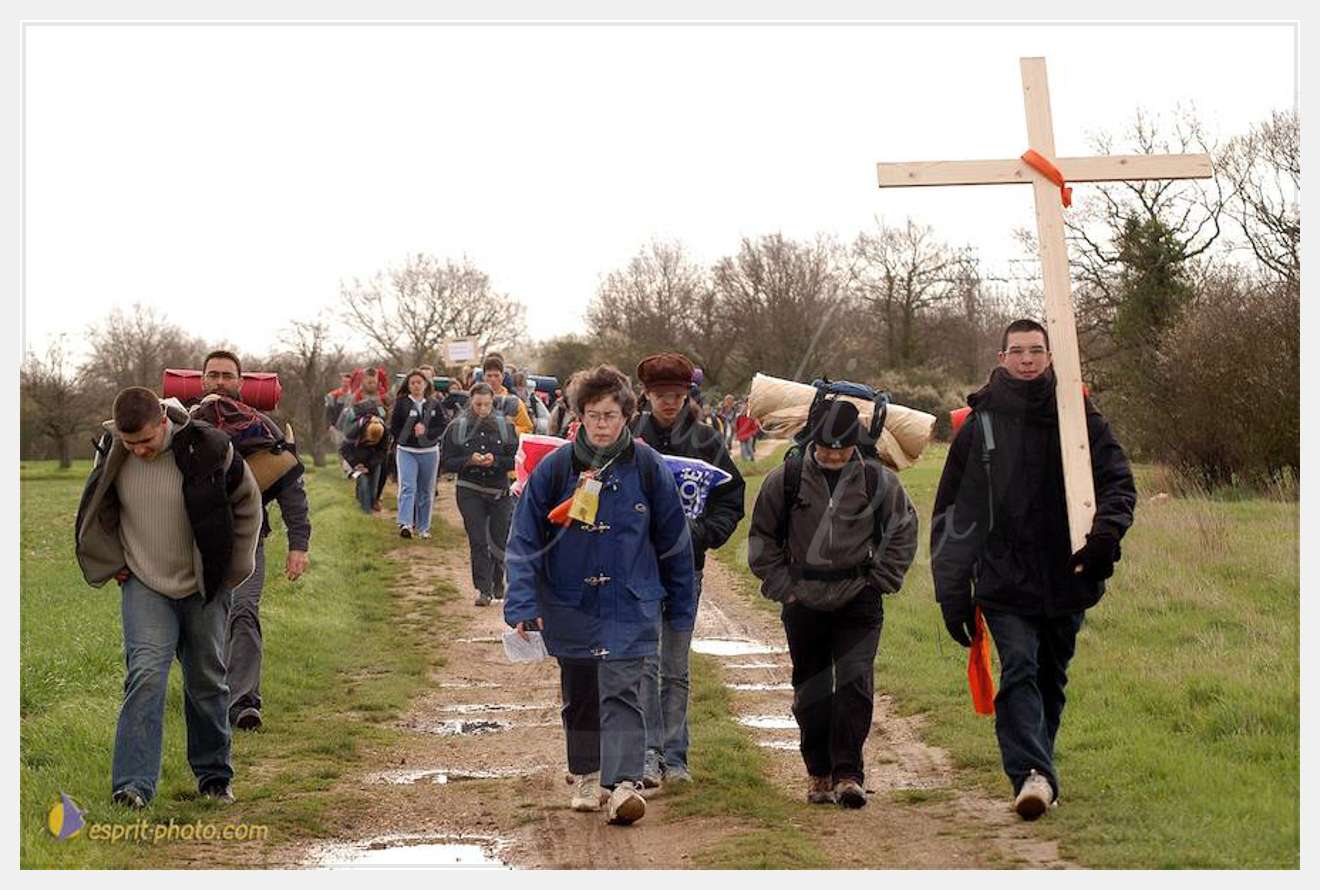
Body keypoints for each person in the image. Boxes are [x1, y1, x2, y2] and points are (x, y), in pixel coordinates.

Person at [930, 319, 1136, 820]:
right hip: (1003, 578)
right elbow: (954, 515)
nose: (1027, 359)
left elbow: (1118, 484)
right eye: (1018, 351)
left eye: (1036, 351)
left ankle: (1039, 768)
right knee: (1019, 666)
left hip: (1069, 575)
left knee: (1050, 677)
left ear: (1050, 356)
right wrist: (952, 592)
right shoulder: (979, 426)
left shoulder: (1080, 418)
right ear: (1002, 359)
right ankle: (1031, 775)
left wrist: (1105, 537)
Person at [503, 365, 695, 826]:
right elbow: (524, 537)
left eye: (610, 415)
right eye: (593, 415)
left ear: (626, 415)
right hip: (570, 599)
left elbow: (674, 541)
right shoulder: (556, 468)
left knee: (624, 689)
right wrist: (523, 603)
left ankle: (625, 784)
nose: (602, 424)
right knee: (581, 692)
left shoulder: (648, 467)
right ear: (580, 416)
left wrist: (680, 605)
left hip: (630, 598)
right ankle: (588, 774)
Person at [75, 387, 262, 807]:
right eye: (130, 443)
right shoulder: (112, 451)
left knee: (206, 681)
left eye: (146, 440)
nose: (139, 450)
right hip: (144, 582)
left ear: (163, 421)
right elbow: (96, 508)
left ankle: (214, 777)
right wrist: (113, 560)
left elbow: (248, 505)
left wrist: (232, 571)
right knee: (145, 676)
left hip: (204, 583)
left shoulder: (210, 447)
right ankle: (132, 787)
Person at [747, 399, 918, 809]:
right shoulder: (785, 479)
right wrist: (783, 587)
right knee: (812, 689)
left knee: (855, 684)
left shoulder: (878, 480)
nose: (834, 456)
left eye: (842, 449)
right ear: (813, 441)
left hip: (859, 597)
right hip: (802, 599)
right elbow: (762, 539)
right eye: (827, 448)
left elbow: (903, 530)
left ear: (855, 444)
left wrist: (879, 582)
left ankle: (848, 775)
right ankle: (818, 772)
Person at [631, 352, 745, 786]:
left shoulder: (706, 440)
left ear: (687, 395)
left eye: (676, 395)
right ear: (646, 395)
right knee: (644, 664)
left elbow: (731, 497)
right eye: (660, 394)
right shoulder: (628, 438)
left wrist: (701, 535)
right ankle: (647, 755)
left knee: (675, 666)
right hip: (636, 569)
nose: (669, 402)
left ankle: (676, 757)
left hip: (685, 570)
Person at [200, 350, 311, 732]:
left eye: (227, 375)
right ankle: (209, 696)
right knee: (201, 621)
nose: (220, 382)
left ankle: (244, 702)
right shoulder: (183, 424)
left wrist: (299, 544)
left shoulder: (261, 427)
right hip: (189, 544)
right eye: (213, 375)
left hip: (247, 541)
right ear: (202, 379)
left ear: (240, 382)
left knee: (244, 611)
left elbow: (291, 486)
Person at [441, 383, 519, 606]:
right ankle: (483, 590)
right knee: (478, 540)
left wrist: (496, 461)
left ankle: (497, 582)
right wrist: (468, 460)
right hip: (469, 489)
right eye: (478, 404)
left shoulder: (506, 426)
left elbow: (515, 459)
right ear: (471, 402)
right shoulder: (457, 427)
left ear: (493, 402)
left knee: (499, 539)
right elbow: (446, 462)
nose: (482, 409)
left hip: (499, 490)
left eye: (486, 404)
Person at [389, 369, 447, 539]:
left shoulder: (434, 404)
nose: (416, 386)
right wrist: (409, 434)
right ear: (408, 385)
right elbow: (394, 428)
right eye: (412, 383)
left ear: (425, 385)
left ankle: (423, 528)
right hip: (407, 451)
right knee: (408, 486)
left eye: (419, 382)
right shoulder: (401, 404)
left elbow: (442, 426)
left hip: (429, 452)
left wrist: (426, 432)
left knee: (426, 490)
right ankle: (405, 523)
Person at [340, 414, 390, 514]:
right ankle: (365, 510)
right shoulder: (354, 430)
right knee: (363, 482)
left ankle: (374, 501)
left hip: (374, 457)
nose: (372, 443)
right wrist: (355, 464)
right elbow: (344, 450)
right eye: (370, 441)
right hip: (356, 457)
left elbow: (382, 452)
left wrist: (369, 466)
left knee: (375, 484)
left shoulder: (384, 432)